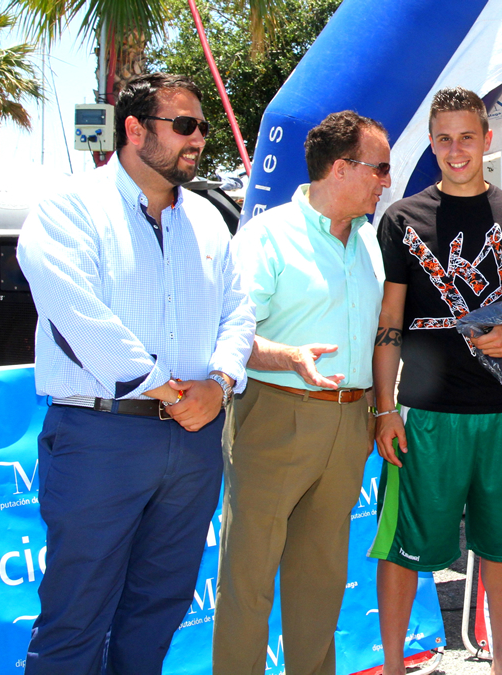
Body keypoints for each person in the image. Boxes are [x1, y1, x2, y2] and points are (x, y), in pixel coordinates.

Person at [15, 73, 255, 674]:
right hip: (102, 437)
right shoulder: (68, 209)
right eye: (184, 126)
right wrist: (166, 388)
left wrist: (221, 383)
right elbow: (75, 312)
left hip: (194, 441)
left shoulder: (205, 218)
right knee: (76, 615)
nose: (199, 139)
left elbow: (240, 309)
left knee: (159, 610)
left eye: (203, 127)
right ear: (133, 129)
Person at [371, 87, 502, 675]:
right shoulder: (402, 218)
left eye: (467, 137)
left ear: (487, 140)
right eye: (445, 139)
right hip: (424, 412)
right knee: (403, 545)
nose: (456, 150)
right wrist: (384, 410)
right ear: (432, 143)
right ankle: (396, 664)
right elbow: (389, 323)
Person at [212, 111, 391, 674]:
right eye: (378, 167)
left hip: (350, 423)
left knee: (321, 579)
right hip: (276, 415)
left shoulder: (368, 242)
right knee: (249, 578)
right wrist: (290, 357)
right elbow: (228, 335)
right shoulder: (266, 236)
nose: (386, 180)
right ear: (341, 168)